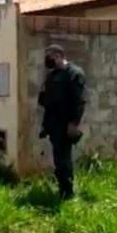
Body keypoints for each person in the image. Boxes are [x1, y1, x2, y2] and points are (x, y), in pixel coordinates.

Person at [38, 44, 87, 200]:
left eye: (50, 55)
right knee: (58, 159)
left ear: (59, 55)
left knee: (63, 159)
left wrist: (74, 124)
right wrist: (45, 126)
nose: (48, 59)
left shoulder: (74, 73)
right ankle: (63, 189)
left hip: (65, 124)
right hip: (53, 124)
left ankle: (67, 193)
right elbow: (47, 102)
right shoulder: (52, 76)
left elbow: (79, 102)